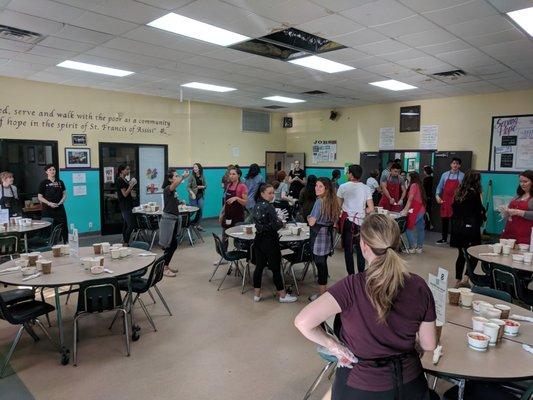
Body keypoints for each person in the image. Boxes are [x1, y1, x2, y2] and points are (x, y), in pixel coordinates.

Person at [294, 213, 437, 400]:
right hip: (410, 385)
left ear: (363, 246)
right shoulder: (418, 285)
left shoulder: (351, 286)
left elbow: (303, 322)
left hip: (360, 387)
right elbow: (429, 344)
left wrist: (334, 345)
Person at [251, 183, 298, 303]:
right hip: (270, 241)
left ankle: (257, 295)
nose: (272, 195)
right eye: (270, 193)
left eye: (273, 192)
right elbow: (275, 226)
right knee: (276, 268)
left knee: (259, 267)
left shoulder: (256, 205)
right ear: (262, 194)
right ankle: (282, 295)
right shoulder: (269, 207)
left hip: (258, 240)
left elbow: (261, 223)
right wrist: (281, 221)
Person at [449, 171, 485, 288]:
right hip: (471, 229)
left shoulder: (458, 192)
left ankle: (457, 280)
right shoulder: (475, 194)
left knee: (461, 254)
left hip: (458, 228)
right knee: (473, 254)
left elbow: (454, 209)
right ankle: (466, 278)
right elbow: (479, 211)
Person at [308, 177, 341, 300]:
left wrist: (308, 217)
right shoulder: (333, 201)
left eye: (320, 186)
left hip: (318, 236)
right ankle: (324, 292)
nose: (317, 188)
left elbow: (312, 222)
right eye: (316, 185)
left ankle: (322, 295)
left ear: (326, 188)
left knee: (320, 264)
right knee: (323, 263)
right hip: (328, 235)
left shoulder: (319, 202)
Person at [338, 164, 374, 275]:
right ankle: (361, 275)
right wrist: (362, 212)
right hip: (361, 223)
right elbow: (371, 208)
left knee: (348, 251)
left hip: (347, 222)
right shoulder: (366, 188)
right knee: (361, 250)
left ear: (351, 174)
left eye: (348, 173)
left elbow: (338, 206)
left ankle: (350, 276)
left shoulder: (343, 187)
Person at [160, 168, 189, 277]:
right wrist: (183, 177)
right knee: (169, 245)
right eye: (175, 176)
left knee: (173, 244)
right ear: (170, 179)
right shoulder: (168, 188)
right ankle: (164, 267)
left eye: (178, 176)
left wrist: (181, 202)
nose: (177, 177)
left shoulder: (173, 190)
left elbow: (174, 201)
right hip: (168, 220)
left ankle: (166, 265)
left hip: (174, 218)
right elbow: (175, 185)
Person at [435, 157, 464, 245]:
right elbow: (439, 187)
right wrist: (437, 196)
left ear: (460, 165)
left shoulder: (462, 175)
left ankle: (454, 240)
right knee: (444, 220)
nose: (455, 165)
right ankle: (444, 238)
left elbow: (463, 189)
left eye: (457, 163)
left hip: (456, 201)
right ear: (451, 164)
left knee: (455, 221)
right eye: (454, 163)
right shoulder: (444, 175)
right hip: (445, 200)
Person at [500, 170, 533, 245]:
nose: (522, 184)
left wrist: (519, 212)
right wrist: (505, 212)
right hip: (510, 232)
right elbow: (508, 214)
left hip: (525, 235)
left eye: (525, 181)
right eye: (520, 181)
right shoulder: (518, 196)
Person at [37, 164, 68, 244]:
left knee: (63, 225)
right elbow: (40, 197)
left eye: (53, 169)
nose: (52, 171)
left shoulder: (60, 182)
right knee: (48, 226)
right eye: (50, 170)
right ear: (46, 172)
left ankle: (65, 242)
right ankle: (48, 243)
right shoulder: (43, 183)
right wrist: (49, 203)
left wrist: (61, 202)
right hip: (48, 209)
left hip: (59, 208)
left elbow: (64, 194)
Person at [219, 166, 248, 249]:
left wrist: (236, 198)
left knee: (238, 238)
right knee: (224, 237)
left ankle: (237, 257)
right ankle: (224, 257)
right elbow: (226, 202)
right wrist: (221, 213)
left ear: (238, 175)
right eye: (230, 174)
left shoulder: (242, 186)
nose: (231, 176)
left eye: (233, 174)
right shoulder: (228, 185)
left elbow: (245, 202)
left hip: (238, 216)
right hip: (228, 216)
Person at [401, 172, 427, 254]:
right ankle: (419, 248)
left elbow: (410, 199)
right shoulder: (419, 185)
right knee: (421, 229)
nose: (406, 177)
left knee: (408, 228)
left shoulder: (413, 185)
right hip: (421, 209)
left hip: (416, 210)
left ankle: (411, 248)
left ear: (411, 177)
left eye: (408, 176)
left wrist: (405, 210)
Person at [115, 164, 137, 246]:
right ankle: (126, 242)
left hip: (128, 204)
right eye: (127, 169)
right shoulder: (120, 180)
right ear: (122, 170)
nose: (129, 171)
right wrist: (131, 186)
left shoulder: (124, 179)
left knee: (126, 224)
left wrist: (131, 185)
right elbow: (124, 194)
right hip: (125, 206)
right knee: (131, 225)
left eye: (129, 169)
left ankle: (125, 241)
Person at [188, 163, 207, 230]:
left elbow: (205, 185)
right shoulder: (191, 176)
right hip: (193, 195)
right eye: (194, 167)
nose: (194, 168)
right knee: (193, 210)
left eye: (196, 167)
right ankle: (184, 219)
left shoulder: (202, 176)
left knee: (200, 209)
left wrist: (203, 187)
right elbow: (188, 187)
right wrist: (196, 188)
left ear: (199, 168)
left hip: (200, 195)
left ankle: (198, 225)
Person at [422, 165, 434, 230]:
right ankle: (429, 224)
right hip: (430, 197)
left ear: (426, 171)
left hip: (426, 198)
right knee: (428, 211)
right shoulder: (432, 179)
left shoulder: (425, 179)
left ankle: (428, 224)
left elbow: (424, 189)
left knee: (426, 212)